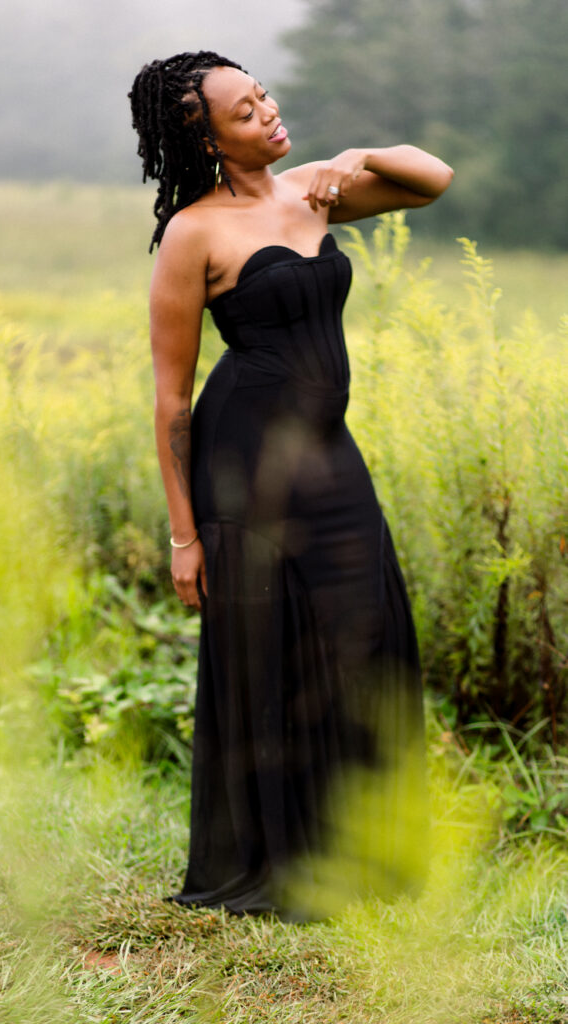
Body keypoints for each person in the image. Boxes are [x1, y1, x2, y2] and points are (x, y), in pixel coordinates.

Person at [129, 51, 453, 918]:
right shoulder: (192, 233)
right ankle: (283, 865)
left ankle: (364, 852)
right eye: (244, 111)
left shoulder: (315, 188)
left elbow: (432, 180)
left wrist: (360, 158)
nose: (268, 113)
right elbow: (170, 397)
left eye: (263, 93)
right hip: (242, 464)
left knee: (366, 633)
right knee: (270, 651)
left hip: (328, 450)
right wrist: (184, 536)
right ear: (203, 134)